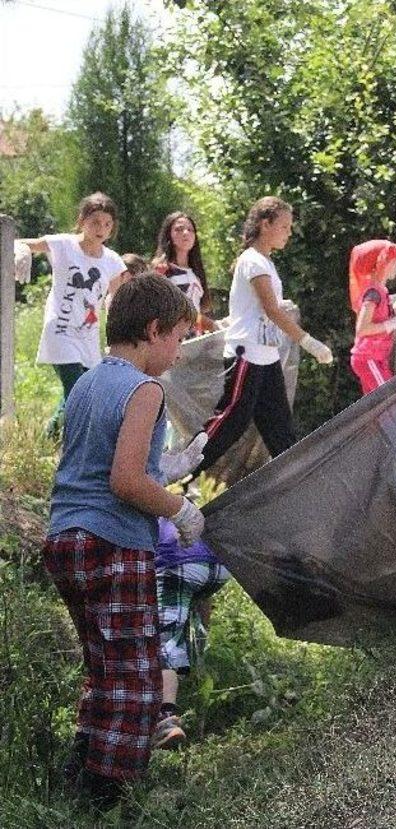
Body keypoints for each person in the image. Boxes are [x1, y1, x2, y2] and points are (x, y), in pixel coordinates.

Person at [42, 274, 206, 810]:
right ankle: (106, 796)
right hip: (112, 542)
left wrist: (167, 467)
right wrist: (180, 508)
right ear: (154, 330)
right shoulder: (146, 388)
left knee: (103, 666)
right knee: (136, 672)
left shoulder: (88, 381)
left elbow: (97, 462)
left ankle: (81, 769)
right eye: (178, 338)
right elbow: (126, 482)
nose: (179, 353)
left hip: (65, 539)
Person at [191, 196, 334, 477]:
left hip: (266, 355)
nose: (289, 233)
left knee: (278, 425)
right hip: (247, 353)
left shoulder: (265, 262)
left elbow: (263, 307)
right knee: (232, 419)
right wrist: (308, 342)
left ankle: (295, 481)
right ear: (265, 224)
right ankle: (186, 468)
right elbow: (271, 309)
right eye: (284, 226)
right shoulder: (253, 260)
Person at [18, 192, 128, 438]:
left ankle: (47, 439)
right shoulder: (63, 244)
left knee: (83, 392)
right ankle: (74, 447)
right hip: (61, 330)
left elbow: (116, 299)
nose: (101, 228)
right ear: (82, 220)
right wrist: (22, 251)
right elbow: (25, 243)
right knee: (77, 392)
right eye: (95, 222)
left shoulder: (112, 261)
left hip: (88, 336)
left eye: (107, 224)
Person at [151, 518, 231, 750]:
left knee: (160, 642)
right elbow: (204, 601)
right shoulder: (171, 514)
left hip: (177, 561)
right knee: (182, 623)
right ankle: (189, 665)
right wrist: (201, 644)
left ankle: (166, 719)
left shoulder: (145, 519)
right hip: (218, 567)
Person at [348, 239, 396, 395]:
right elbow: (363, 329)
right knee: (390, 400)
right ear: (382, 262)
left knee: (377, 409)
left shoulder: (379, 290)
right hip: (368, 357)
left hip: (376, 357)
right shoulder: (373, 293)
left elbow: (382, 318)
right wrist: (394, 323)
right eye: (394, 260)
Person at [152, 212, 216, 336]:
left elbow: (198, 308)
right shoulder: (162, 270)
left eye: (190, 230)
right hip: (171, 341)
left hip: (195, 339)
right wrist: (211, 325)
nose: (186, 233)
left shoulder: (196, 273)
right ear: (169, 235)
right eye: (179, 229)